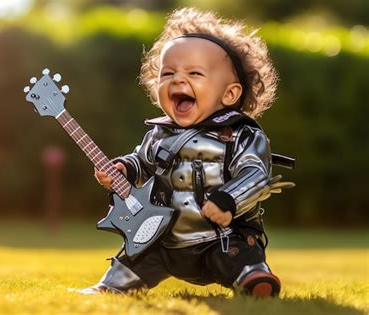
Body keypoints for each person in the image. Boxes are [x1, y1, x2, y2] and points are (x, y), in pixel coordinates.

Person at [78, 7, 294, 298]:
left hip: (220, 237)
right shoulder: (160, 133)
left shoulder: (242, 133)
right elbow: (143, 160)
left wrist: (228, 199)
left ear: (229, 94)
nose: (178, 79)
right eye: (168, 73)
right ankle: (111, 284)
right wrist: (124, 169)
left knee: (239, 257)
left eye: (194, 73)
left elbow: (256, 174)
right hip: (164, 237)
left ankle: (253, 278)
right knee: (135, 258)